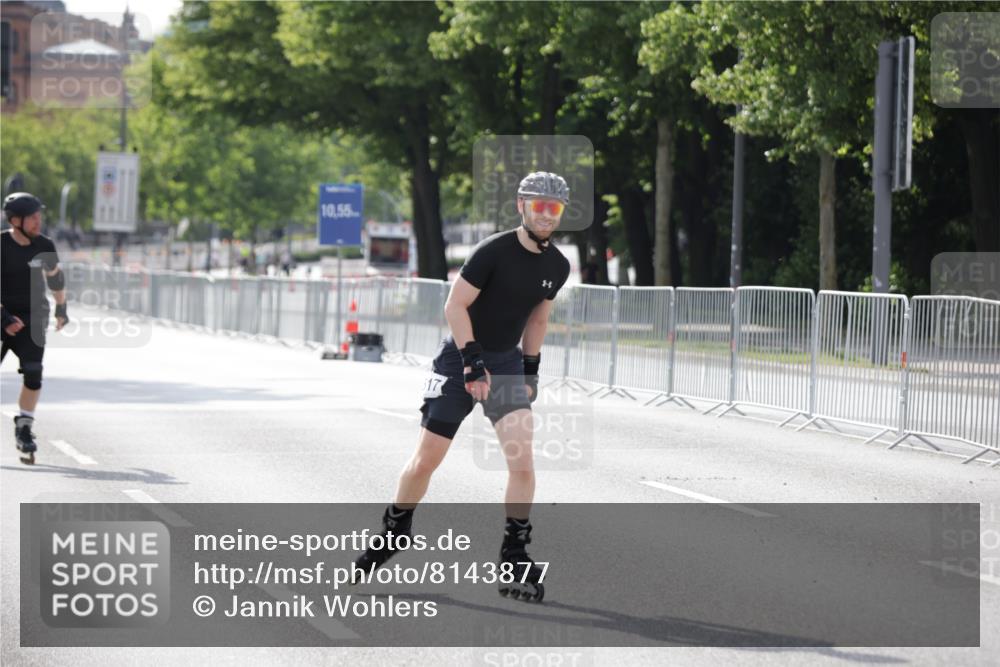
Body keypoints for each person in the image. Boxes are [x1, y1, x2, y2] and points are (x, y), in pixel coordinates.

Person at [354, 172, 572, 602]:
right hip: (458, 360)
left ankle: (514, 550)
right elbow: (455, 305)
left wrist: (529, 371)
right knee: (426, 461)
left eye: (555, 208)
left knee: (522, 459)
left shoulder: (557, 266)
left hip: (507, 363)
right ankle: (396, 528)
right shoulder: (493, 251)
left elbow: (538, 319)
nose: (546, 215)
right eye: (539, 205)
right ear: (521, 206)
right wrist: (471, 361)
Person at [1, 193, 69, 464]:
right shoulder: (1, 245)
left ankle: (24, 427)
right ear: (15, 220)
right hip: (1, 315)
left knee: (33, 372)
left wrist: (62, 308)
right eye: (32, 218)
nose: (38, 221)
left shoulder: (44, 244)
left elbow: (55, 278)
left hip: (32, 319)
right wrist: (4, 318)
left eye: (39, 216)